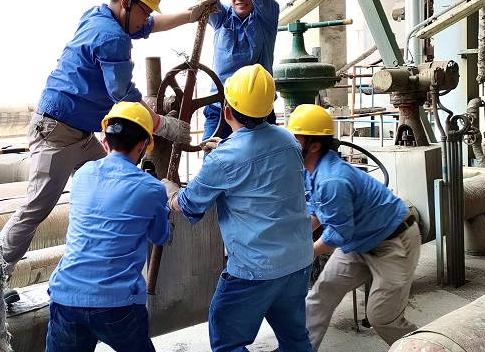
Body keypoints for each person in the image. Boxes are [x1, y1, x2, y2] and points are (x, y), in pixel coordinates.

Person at [0, 0, 215, 282]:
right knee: (36, 209)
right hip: (56, 133)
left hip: (79, 133)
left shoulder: (99, 15)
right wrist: (161, 125)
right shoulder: (112, 36)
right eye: (144, 11)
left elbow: (151, 25)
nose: (146, 19)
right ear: (127, 2)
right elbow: (122, 95)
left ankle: (102, 266)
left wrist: (190, 15)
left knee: (116, 181)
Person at [163, 64, 314, 352]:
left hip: (254, 270)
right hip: (298, 262)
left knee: (227, 341)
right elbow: (261, 166)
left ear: (226, 111)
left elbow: (188, 203)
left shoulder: (224, 160)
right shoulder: (289, 142)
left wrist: (168, 190)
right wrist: (226, 147)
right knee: (294, 339)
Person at [286, 104, 422, 350]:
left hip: (393, 242)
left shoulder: (332, 180)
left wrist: (305, 253)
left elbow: (338, 233)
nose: (290, 144)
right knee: (321, 295)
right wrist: (296, 241)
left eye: (296, 138)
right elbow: (317, 212)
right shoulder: (312, 169)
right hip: (360, 243)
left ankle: (429, 347)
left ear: (314, 146)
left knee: (383, 317)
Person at [45, 101, 170, 352]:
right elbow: (160, 236)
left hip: (67, 295)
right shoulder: (151, 188)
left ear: (104, 142)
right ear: (143, 146)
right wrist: (164, 199)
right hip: (118, 303)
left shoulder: (82, 174)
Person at [202, 0, 280, 141]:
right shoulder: (221, 17)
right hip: (220, 108)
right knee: (212, 158)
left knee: (263, 160)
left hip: (257, 111)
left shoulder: (267, 16)